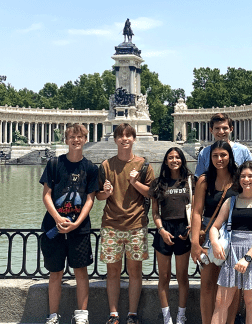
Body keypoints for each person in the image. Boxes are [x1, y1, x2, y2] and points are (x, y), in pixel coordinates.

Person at [40, 124, 98, 324]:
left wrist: (76, 223)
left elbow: (90, 199)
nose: (76, 140)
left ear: (85, 139)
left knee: (81, 271)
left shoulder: (90, 167)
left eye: (80, 136)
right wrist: (57, 218)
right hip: (54, 227)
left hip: (79, 229)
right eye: (72, 137)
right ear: (66, 140)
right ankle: (53, 315)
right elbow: (46, 195)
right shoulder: (54, 163)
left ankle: (82, 316)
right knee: (55, 272)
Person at [96, 123, 155, 324]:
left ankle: (132, 314)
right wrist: (106, 192)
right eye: (120, 136)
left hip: (136, 224)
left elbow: (152, 193)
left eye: (128, 135)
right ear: (115, 140)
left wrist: (135, 183)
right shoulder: (105, 165)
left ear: (134, 139)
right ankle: (113, 314)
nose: (124, 139)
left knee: (135, 271)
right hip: (111, 224)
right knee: (112, 272)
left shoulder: (144, 165)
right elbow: (99, 197)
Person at [210, 161, 252, 324]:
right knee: (221, 302)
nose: (246, 179)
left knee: (251, 302)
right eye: (243, 176)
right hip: (231, 253)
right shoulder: (231, 201)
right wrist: (215, 243)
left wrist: (247, 258)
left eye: (250, 176)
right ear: (238, 179)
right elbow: (214, 227)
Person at [190, 140, 239, 324]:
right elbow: (196, 212)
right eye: (215, 156)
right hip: (209, 235)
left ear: (230, 156)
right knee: (208, 284)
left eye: (223, 155)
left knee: (232, 286)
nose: (219, 159)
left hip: (233, 235)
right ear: (210, 158)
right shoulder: (204, 179)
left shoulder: (238, 178)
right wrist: (195, 243)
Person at [149, 147, 194, 324]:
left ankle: (181, 315)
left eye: (177, 157)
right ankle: (167, 317)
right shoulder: (158, 183)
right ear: (165, 161)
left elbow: (197, 207)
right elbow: (154, 212)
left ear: (182, 160)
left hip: (184, 228)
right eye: (170, 157)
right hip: (164, 229)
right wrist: (160, 229)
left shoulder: (190, 181)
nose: (174, 160)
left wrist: (192, 227)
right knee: (164, 277)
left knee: (182, 276)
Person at [194, 113, 252, 177]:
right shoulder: (204, 153)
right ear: (211, 130)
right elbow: (199, 178)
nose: (221, 132)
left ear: (231, 129)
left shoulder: (243, 151)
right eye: (217, 128)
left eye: (225, 128)